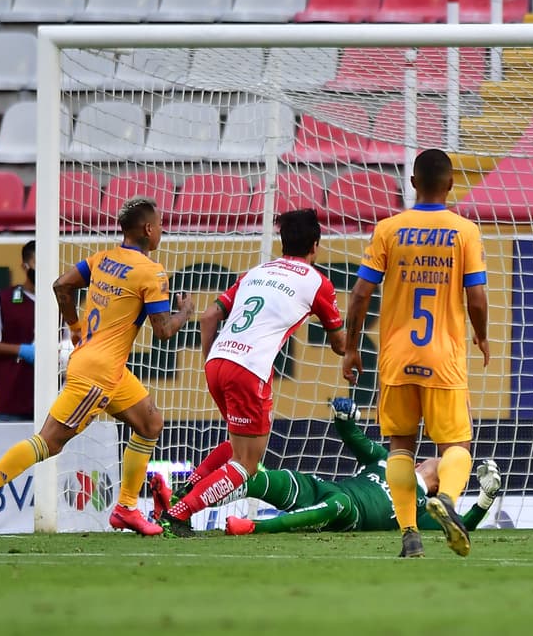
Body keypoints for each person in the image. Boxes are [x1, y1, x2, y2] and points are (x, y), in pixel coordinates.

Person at [0, 197, 195, 537]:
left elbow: (60, 285)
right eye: (159, 225)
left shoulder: (103, 259)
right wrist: (185, 312)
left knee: (150, 422)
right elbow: (163, 331)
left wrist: (74, 326)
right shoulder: (151, 272)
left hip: (106, 367)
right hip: (98, 374)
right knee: (49, 442)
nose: (161, 230)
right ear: (147, 229)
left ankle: (126, 508)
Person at [158, 209, 349, 537]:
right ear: (315, 246)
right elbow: (340, 345)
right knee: (247, 465)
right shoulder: (318, 282)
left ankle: (182, 490)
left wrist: (211, 361)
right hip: (249, 370)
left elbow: (207, 317)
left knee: (236, 446)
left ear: (282, 241)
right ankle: (179, 512)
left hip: (217, 362)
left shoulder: (256, 272)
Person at [343, 148, 490, 559]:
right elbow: (476, 296)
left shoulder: (389, 228)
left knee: (400, 448)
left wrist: (352, 348)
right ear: (449, 185)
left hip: (395, 358)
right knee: (456, 445)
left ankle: (410, 534)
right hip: (443, 356)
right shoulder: (464, 231)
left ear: (412, 183)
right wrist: (482, 336)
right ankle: (448, 500)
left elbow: (359, 294)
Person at [187, 398, 501, 537]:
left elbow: (458, 527)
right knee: (253, 475)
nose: (443, 461)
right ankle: (180, 505)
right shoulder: (387, 460)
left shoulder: (420, 510)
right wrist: (343, 413)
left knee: (337, 505)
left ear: (436, 488)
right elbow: (352, 435)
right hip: (323, 487)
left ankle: (254, 527)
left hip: (348, 512)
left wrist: (485, 500)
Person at [0, 240, 37, 422]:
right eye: (37, 263)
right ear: (24, 266)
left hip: (52, 402)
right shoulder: (3, 300)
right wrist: (22, 350)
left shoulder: (60, 301)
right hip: (12, 401)